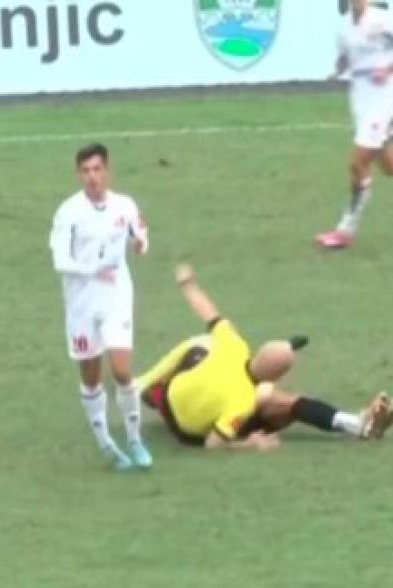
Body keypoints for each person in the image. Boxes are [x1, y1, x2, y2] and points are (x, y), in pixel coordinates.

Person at [136, 264, 392, 450]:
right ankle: (355, 425)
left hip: (169, 400)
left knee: (201, 348)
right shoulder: (245, 399)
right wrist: (249, 444)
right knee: (281, 400)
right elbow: (213, 443)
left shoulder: (232, 345)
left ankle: (358, 425)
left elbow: (209, 312)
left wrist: (188, 284)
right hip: (188, 433)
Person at [49, 143, 152, 470]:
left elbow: (140, 231)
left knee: (122, 371)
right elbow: (60, 260)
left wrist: (141, 244)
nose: (92, 177)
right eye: (85, 171)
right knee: (91, 377)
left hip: (116, 297)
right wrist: (91, 269)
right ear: (78, 174)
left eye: (97, 169)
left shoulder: (124, 205)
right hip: (81, 303)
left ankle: (134, 439)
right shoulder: (68, 212)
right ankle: (106, 444)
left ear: (107, 170)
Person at [317, 0, 393, 248]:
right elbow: (345, 59)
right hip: (361, 99)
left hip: (385, 98)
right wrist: (337, 70)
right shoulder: (344, 30)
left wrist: (388, 69)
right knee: (388, 165)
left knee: (358, 162)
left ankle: (345, 230)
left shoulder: (383, 19)